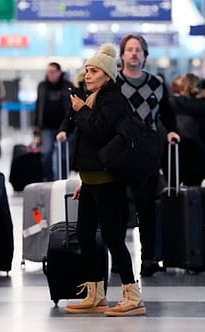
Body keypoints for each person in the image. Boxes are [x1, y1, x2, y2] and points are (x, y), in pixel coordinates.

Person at [60, 43, 146, 316]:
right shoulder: (94, 98)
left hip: (109, 181)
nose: (88, 75)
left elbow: (97, 132)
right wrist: (85, 180)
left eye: (94, 71)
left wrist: (81, 110)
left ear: (107, 76)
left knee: (112, 237)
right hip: (92, 180)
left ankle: (132, 295)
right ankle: (95, 293)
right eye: (86, 70)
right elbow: (92, 146)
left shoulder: (113, 100)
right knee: (85, 235)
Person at [116, 34, 180, 277]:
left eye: (138, 50)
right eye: (129, 49)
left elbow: (167, 113)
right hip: (120, 153)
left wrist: (172, 131)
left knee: (147, 208)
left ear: (144, 55)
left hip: (148, 153)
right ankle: (118, 259)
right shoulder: (113, 83)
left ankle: (149, 259)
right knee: (120, 208)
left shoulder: (156, 82)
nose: (134, 53)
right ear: (122, 55)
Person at [169, 72, 205, 186]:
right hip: (198, 151)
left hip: (177, 150)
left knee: (174, 186)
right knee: (194, 188)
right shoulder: (204, 105)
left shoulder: (172, 103)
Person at [34, 62, 74, 180]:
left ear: (59, 72)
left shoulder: (68, 85)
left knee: (63, 155)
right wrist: (37, 125)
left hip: (64, 126)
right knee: (46, 153)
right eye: (48, 71)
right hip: (46, 126)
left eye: (52, 71)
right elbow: (38, 105)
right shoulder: (42, 86)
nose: (50, 74)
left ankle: (62, 179)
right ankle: (48, 179)